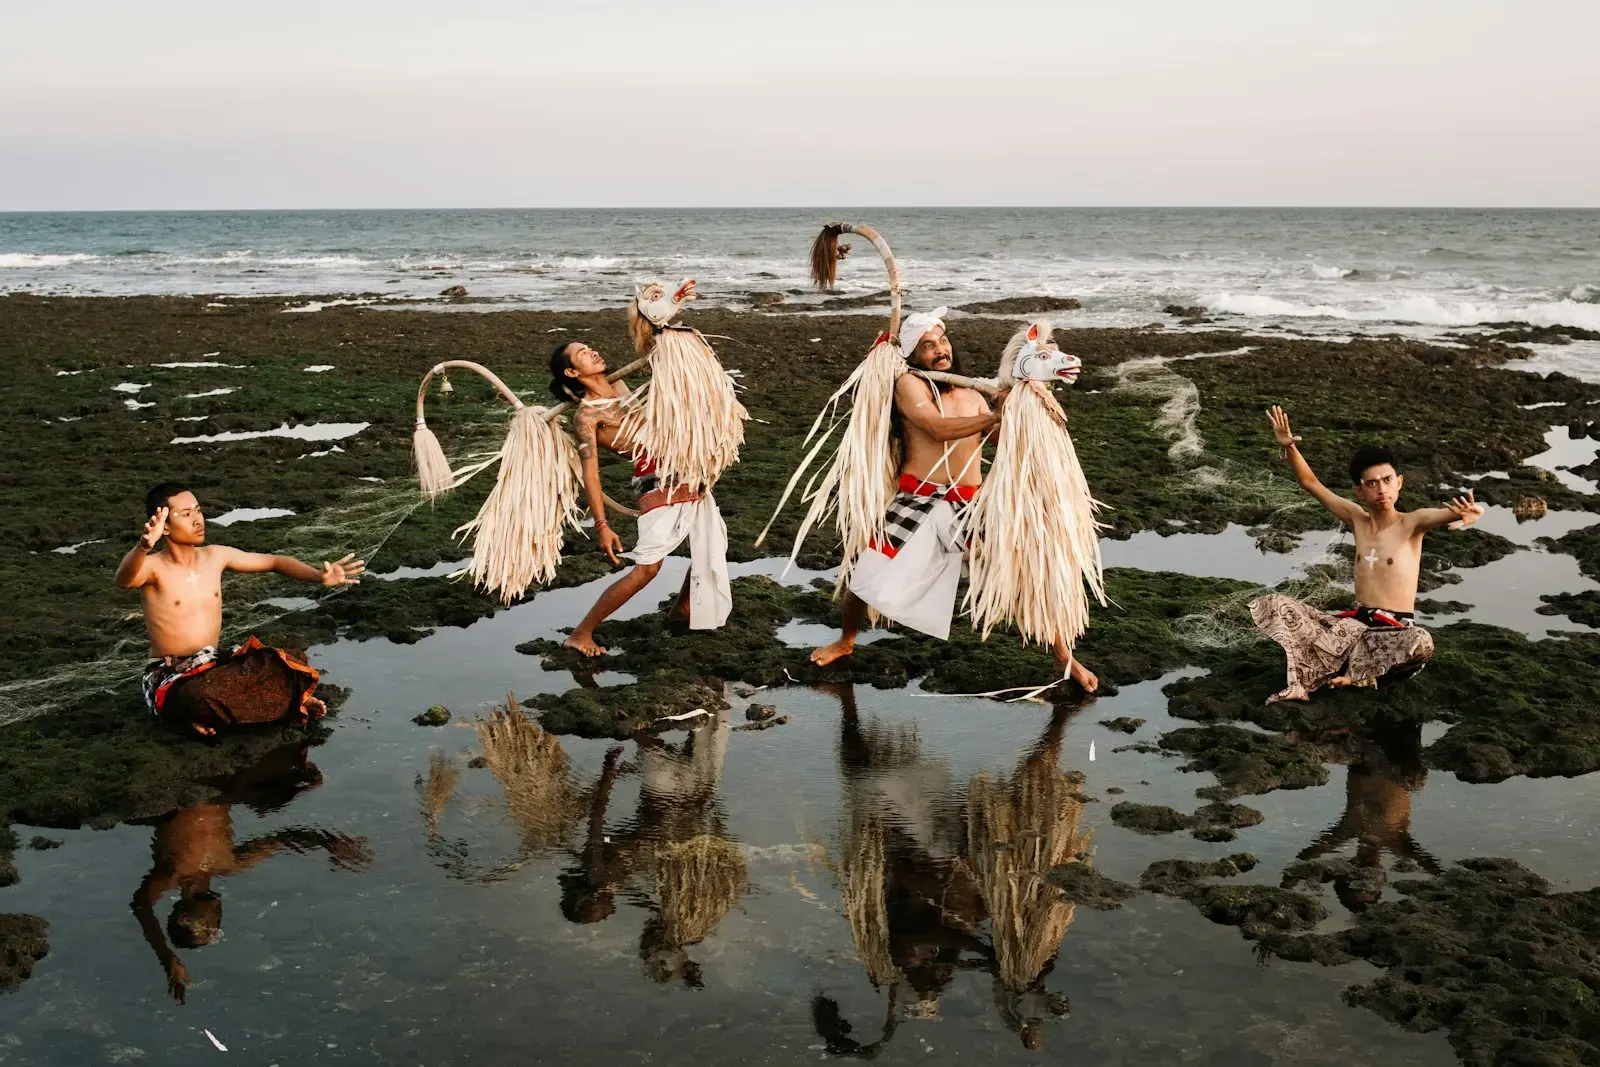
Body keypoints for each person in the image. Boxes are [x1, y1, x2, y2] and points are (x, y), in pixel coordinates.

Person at [808, 311, 1098, 692]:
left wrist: (1029, 411)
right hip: (918, 500)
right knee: (864, 575)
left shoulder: (974, 396)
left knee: (1027, 571)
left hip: (969, 505)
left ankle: (1064, 654)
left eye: (942, 341)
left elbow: (1005, 442)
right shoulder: (910, 385)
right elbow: (936, 428)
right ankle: (846, 640)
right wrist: (995, 412)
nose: (940, 350)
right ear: (913, 354)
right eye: (928, 345)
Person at [1250, 406, 1484, 703]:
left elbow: (1448, 513)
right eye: (1371, 484)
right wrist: (1289, 446)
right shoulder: (1357, 519)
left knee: (1421, 642)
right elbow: (1311, 483)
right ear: (1359, 491)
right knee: (1276, 605)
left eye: (1387, 480)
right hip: (1353, 628)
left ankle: (1358, 675)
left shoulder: (1412, 523)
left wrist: (1476, 512)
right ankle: (1345, 669)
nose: (1381, 489)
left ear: (1399, 482)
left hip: (1393, 633)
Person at [115, 483, 364, 737]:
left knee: (290, 659)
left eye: (198, 511)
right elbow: (123, 580)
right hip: (171, 676)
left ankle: (218, 716)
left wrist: (318, 576)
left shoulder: (215, 556)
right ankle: (285, 704)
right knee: (195, 696)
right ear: (164, 525)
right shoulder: (153, 566)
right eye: (186, 514)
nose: (198, 519)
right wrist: (143, 546)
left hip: (213, 665)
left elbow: (274, 562)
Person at [129, 743, 370, 1004]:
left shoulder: (172, 873)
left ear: (184, 918)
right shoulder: (230, 864)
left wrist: (167, 958)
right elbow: (282, 840)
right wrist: (328, 842)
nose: (217, 925)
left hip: (186, 786)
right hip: (223, 787)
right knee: (297, 784)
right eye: (215, 930)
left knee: (282, 785)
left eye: (207, 927)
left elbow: (141, 905)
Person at [552, 340, 732, 657]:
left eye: (591, 347)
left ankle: (681, 609)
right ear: (571, 371)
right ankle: (580, 634)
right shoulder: (586, 417)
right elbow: (591, 475)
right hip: (655, 481)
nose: (593, 351)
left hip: (685, 468)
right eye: (583, 353)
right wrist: (602, 525)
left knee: (710, 546)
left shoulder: (619, 383)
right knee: (647, 569)